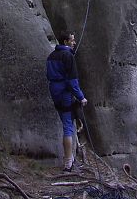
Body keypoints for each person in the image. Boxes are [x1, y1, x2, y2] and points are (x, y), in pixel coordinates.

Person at [46, 31, 87, 171]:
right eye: (72, 40)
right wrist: (81, 97)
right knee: (68, 125)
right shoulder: (68, 56)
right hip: (64, 92)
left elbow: (49, 75)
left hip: (54, 90)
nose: (74, 43)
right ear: (65, 42)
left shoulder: (51, 56)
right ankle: (68, 163)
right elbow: (72, 80)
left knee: (67, 121)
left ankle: (71, 158)